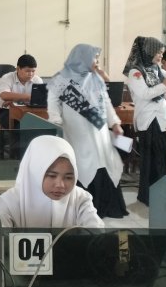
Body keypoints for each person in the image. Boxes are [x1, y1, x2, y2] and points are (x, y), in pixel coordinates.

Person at [47, 44, 127, 218]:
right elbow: (53, 105)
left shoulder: (96, 78)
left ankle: (105, 208)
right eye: (94, 58)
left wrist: (115, 123)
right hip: (77, 133)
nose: (96, 61)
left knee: (104, 165)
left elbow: (106, 102)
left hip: (100, 133)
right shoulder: (61, 79)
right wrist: (56, 122)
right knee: (82, 166)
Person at [0, 135, 104, 228]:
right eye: (52, 176)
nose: (60, 185)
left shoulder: (80, 199)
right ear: (34, 173)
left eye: (68, 177)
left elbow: (96, 231)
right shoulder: (9, 202)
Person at [123, 36, 166, 205]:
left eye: (162, 53)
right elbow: (144, 94)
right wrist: (165, 85)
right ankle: (149, 196)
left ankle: (162, 194)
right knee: (151, 160)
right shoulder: (135, 72)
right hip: (149, 120)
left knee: (162, 158)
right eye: (158, 52)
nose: (161, 56)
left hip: (162, 120)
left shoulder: (156, 68)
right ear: (149, 51)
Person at [0, 54, 44, 129]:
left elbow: (41, 99)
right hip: (7, 111)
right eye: (27, 71)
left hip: (31, 111)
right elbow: (4, 95)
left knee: (43, 125)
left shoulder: (37, 80)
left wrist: (14, 99)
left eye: (33, 71)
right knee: (21, 127)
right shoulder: (7, 78)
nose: (31, 74)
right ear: (18, 69)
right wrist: (29, 97)